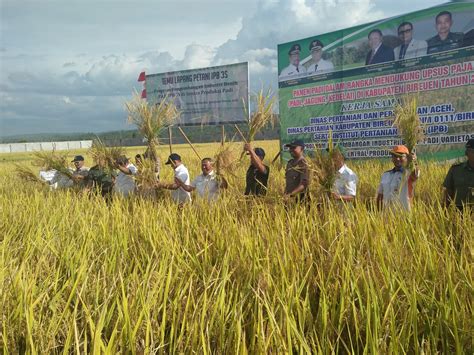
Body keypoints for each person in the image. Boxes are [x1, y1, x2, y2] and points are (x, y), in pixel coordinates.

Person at [376, 145, 420, 211]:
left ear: (407, 158)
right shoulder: (386, 175)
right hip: (387, 216)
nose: (397, 158)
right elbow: (380, 196)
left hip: (404, 216)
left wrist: (414, 162)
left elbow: (415, 174)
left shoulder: (409, 174)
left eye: (400, 156)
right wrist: (378, 213)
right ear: (392, 158)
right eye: (395, 156)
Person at [443, 139, 474, 211]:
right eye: (473, 152)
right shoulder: (456, 170)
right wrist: (444, 211)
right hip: (459, 211)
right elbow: (448, 192)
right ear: (467, 153)